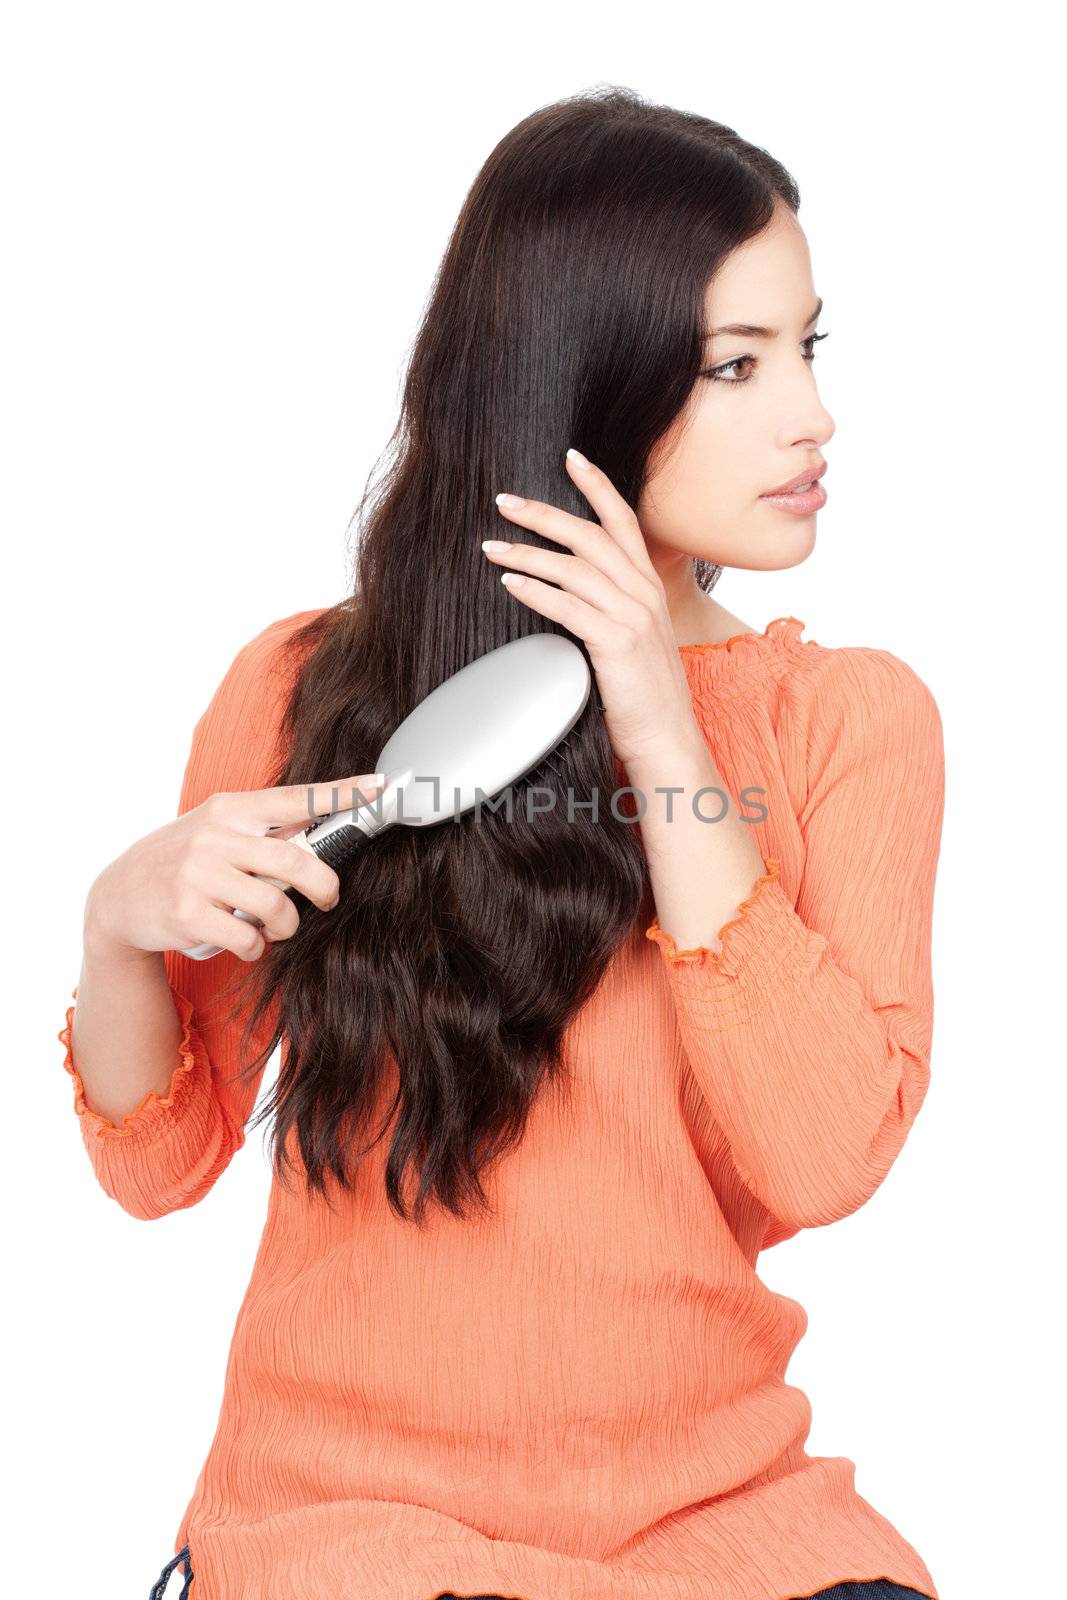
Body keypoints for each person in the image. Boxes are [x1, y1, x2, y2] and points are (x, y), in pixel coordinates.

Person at [61, 87, 945, 1600]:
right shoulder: (301, 691)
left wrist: (661, 727)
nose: (812, 414)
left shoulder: (844, 720)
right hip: (349, 1529)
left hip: (717, 1524)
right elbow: (164, 1167)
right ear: (581, 383)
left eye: (807, 348)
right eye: (738, 365)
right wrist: (116, 929)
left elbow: (822, 1157)